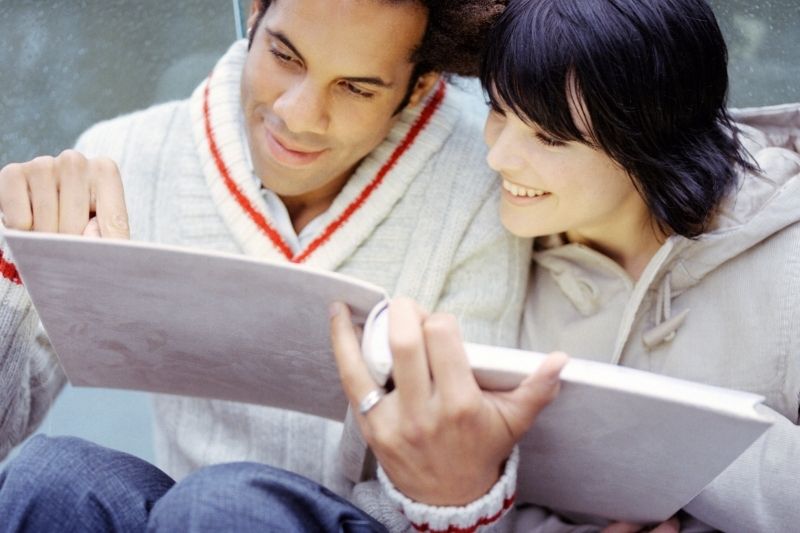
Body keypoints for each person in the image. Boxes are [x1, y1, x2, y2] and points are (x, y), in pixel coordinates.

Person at [0, 1, 566, 531]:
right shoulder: (128, 157)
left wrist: (450, 494)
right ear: (255, 12)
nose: (297, 116)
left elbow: (465, 475)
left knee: (224, 505)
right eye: (284, 55)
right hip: (186, 513)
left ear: (418, 88)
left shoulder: (481, 183)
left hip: (353, 520)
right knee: (51, 477)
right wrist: (16, 273)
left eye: (354, 88)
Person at [331, 0, 800, 531]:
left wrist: (679, 440)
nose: (499, 157)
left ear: (653, 137)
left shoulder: (788, 263)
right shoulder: (495, 242)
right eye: (498, 110)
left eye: (549, 138)